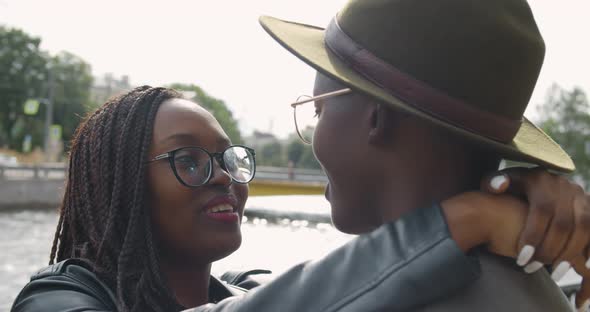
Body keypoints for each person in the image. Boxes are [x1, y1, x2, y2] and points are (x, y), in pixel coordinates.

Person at [10, 85, 590, 312]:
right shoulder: (55, 300)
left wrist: (518, 197)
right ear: (114, 184)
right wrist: (460, 219)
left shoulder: (258, 289)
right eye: (188, 159)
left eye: (231, 159)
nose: (226, 179)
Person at [255, 0, 590, 310]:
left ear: (377, 118)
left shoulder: (382, 300)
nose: (312, 139)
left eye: (317, 111)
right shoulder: (530, 286)